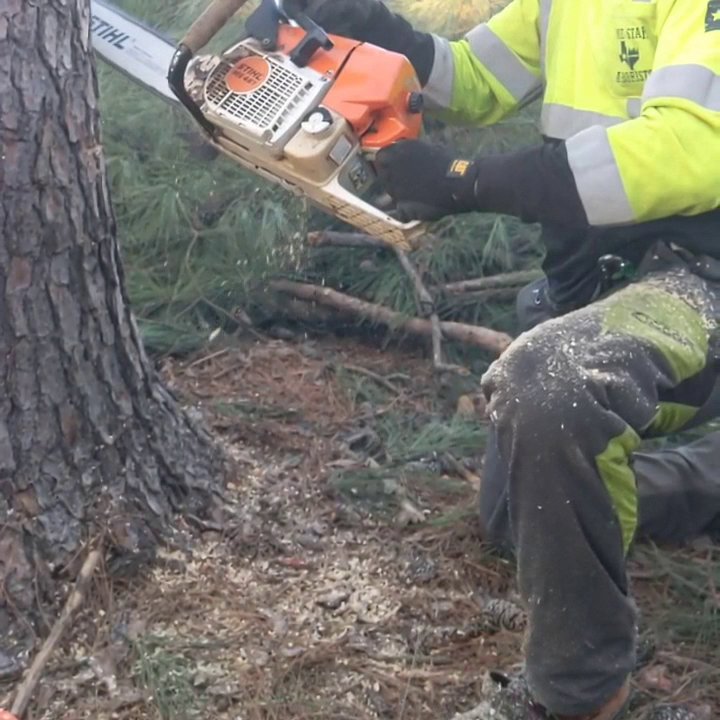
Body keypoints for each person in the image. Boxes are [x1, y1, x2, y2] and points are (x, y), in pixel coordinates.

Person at [292, 1, 720, 718]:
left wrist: (465, 178)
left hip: (700, 274)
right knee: (521, 517)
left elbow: (687, 147)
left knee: (552, 384)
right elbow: (474, 77)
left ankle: (579, 692)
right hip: (607, 274)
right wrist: (369, 25)